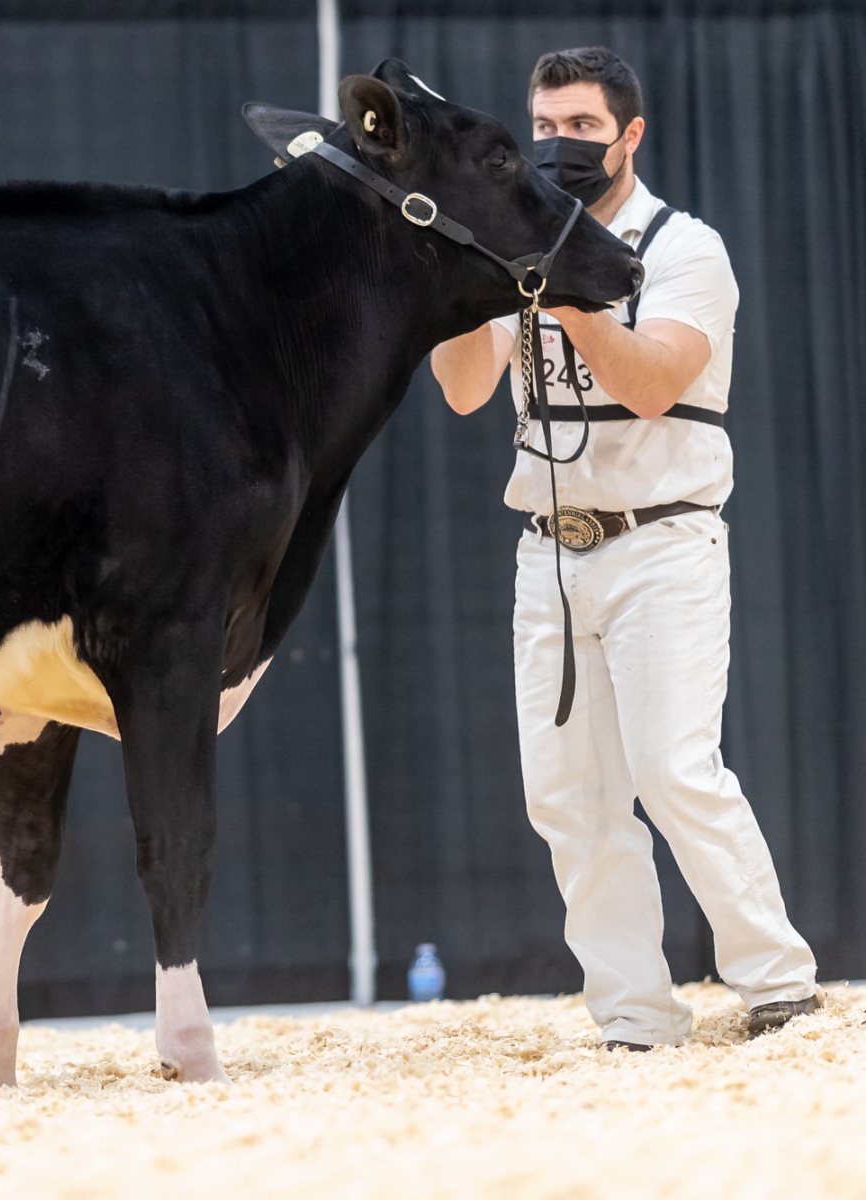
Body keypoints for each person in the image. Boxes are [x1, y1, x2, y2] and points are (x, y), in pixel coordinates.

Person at [430, 46, 820, 1049]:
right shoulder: (515, 245)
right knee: (570, 796)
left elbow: (652, 386)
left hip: (662, 541)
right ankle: (636, 1016)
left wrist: (565, 287)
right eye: (544, 127)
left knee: (673, 767)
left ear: (629, 135)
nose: (559, 145)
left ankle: (778, 983)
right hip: (548, 552)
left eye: (583, 128)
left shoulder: (687, 249)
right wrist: (464, 273)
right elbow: (465, 389)